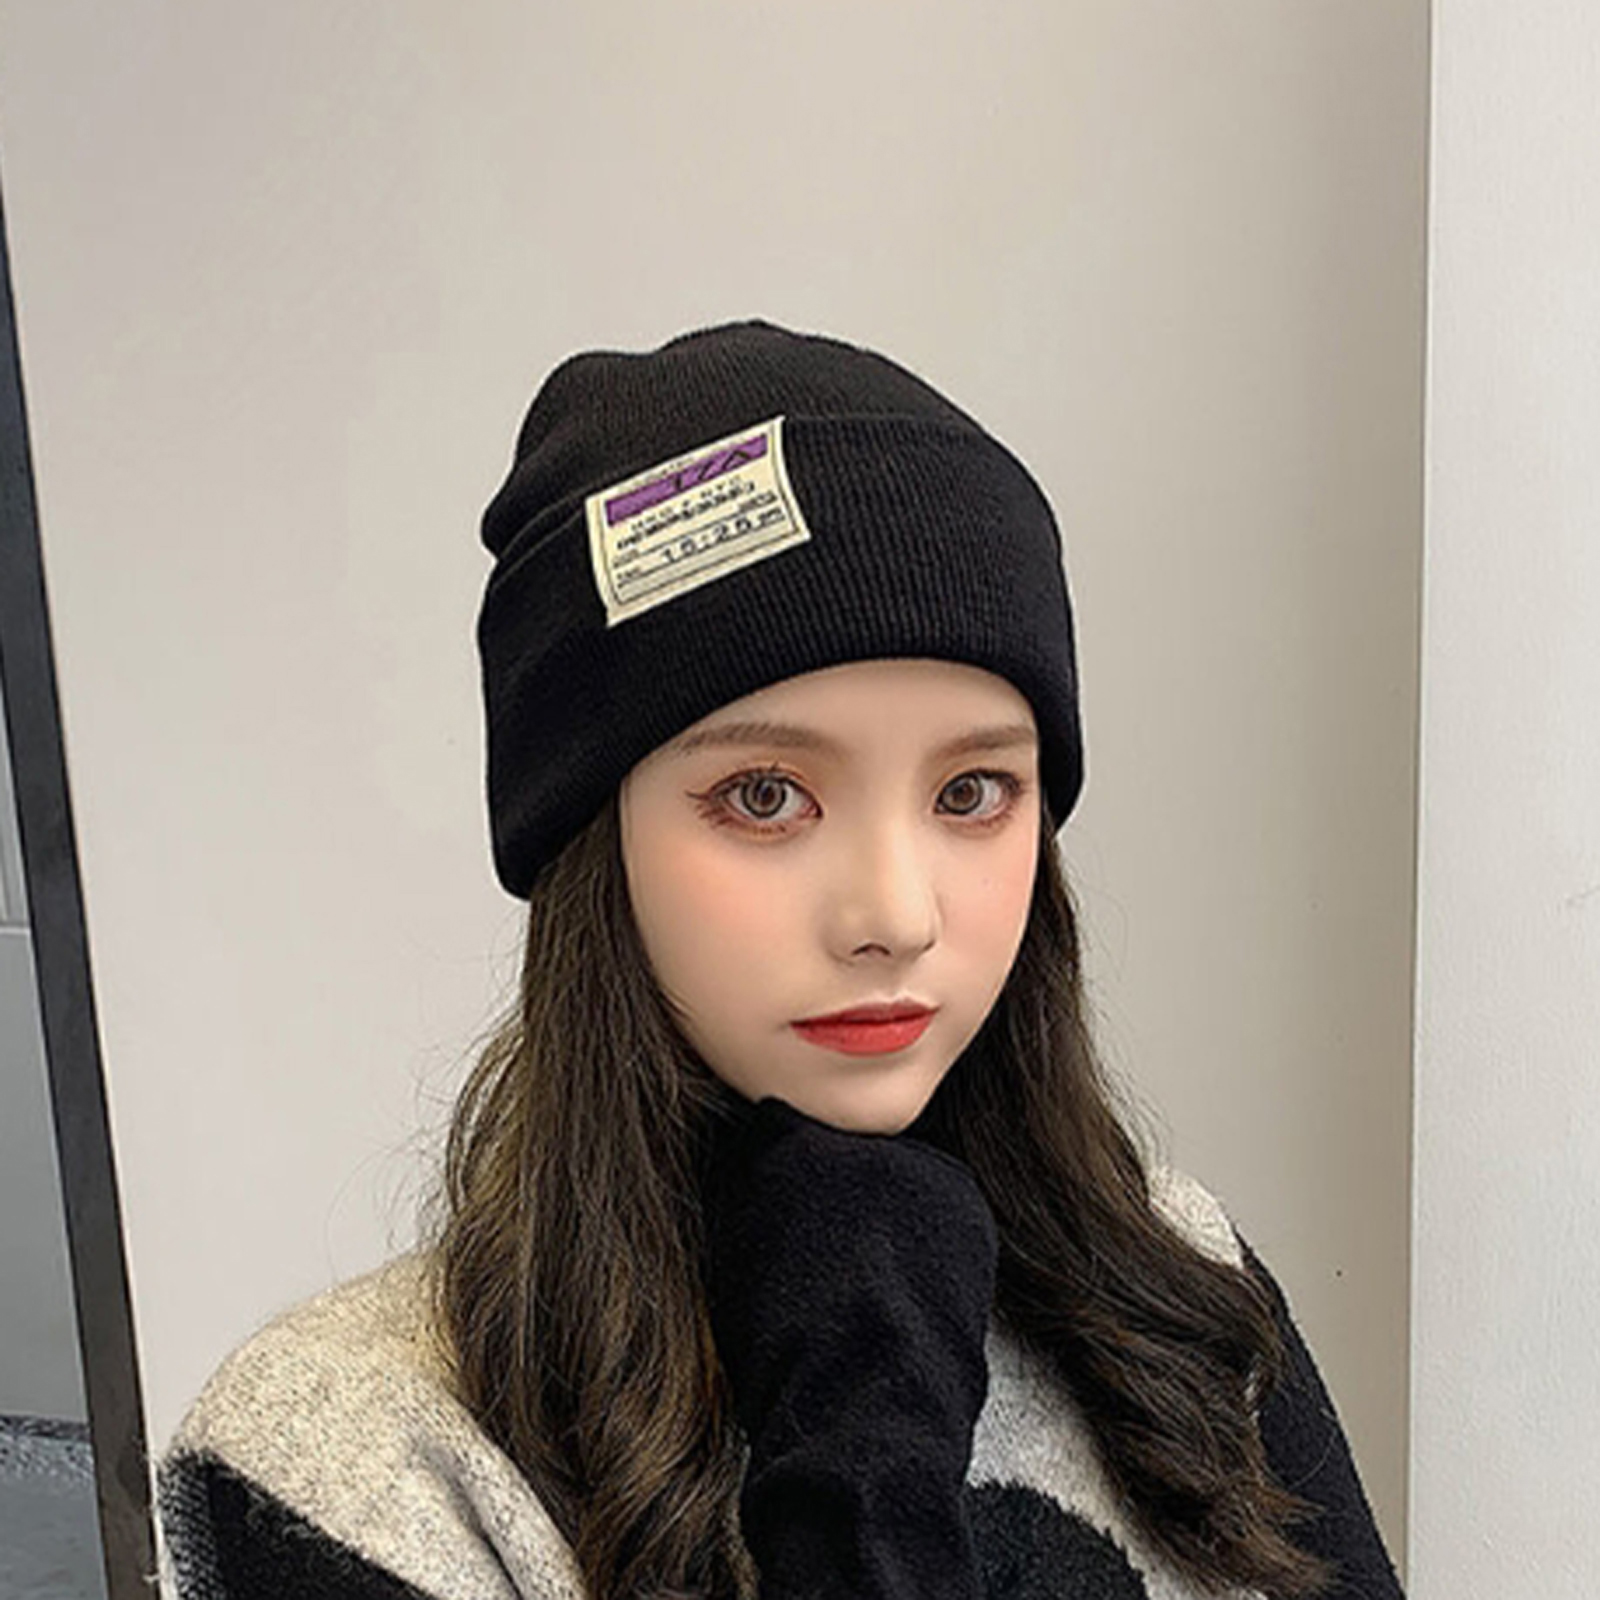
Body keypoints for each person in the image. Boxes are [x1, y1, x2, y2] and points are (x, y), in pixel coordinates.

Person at [156, 320, 1405, 1600]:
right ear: (593, 840)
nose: (894, 914)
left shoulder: (1173, 1288)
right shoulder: (356, 1458)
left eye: (971, 791)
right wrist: (858, 1458)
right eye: (765, 796)